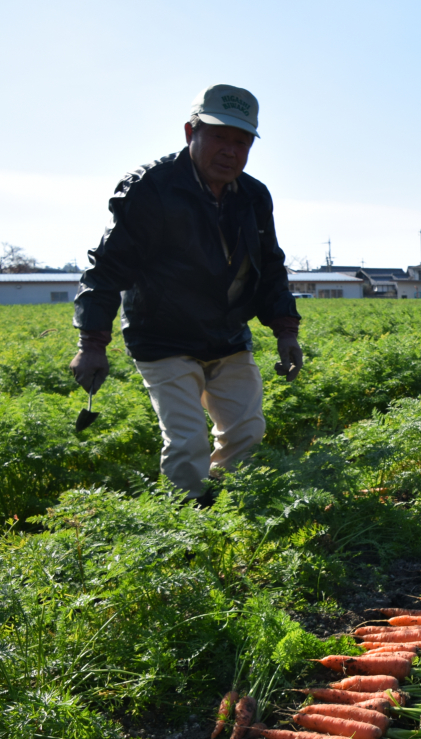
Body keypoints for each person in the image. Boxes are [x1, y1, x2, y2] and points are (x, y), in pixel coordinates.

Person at [70, 84, 302, 500]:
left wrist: (286, 329)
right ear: (189, 132)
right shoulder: (150, 188)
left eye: (241, 141)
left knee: (247, 431)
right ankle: (188, 531)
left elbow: (269, 266)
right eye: (218, 136)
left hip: (228, 334)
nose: (230, 150)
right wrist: (92, 342)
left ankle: (225, 512)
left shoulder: (252, 196)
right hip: (162, 337)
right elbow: (106, 267)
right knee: (187, 443)